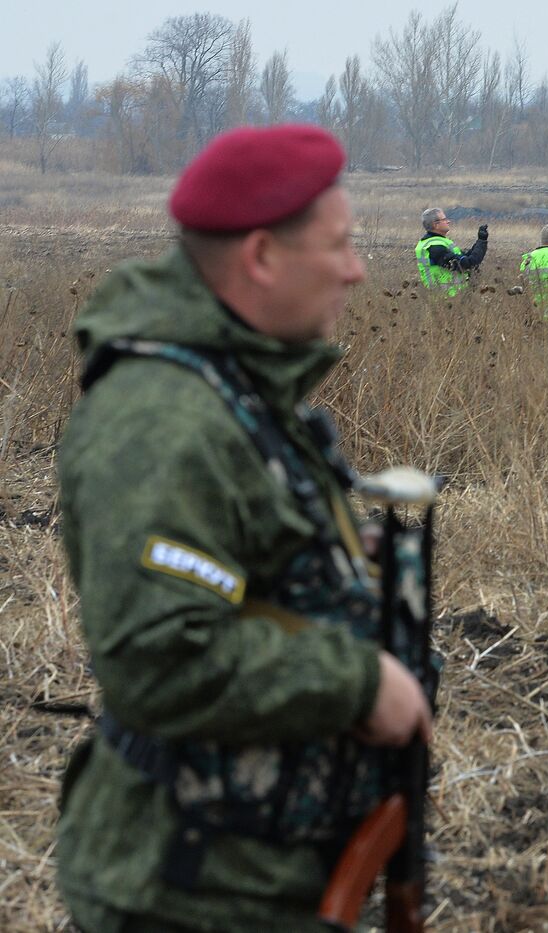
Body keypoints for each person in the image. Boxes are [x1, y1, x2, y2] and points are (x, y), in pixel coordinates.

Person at [55, 124, 434, 932]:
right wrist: (357, 682)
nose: (357, 270)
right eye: (339, 245)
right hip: (193, 891)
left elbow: (236, 571)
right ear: (261, 257)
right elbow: (159, 659)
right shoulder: (163, 420)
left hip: (258, 869)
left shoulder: (236, 386)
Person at [416, 207, 488, 297]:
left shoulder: (437, 242)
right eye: (444, 219)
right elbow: (468, 263)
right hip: (447, 298)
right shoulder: (434, 247)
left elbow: (466, 257)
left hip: (453, 297)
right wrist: (481, 242)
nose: (448, 221)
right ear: (436, 225)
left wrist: (481, 240)